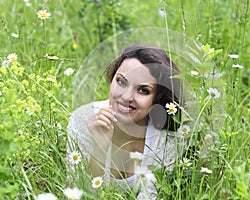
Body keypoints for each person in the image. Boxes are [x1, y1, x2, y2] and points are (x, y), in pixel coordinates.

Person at [67, 44, 186, 199]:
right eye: (121, 82)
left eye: (143, 90)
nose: (126, 96)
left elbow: (152, 195)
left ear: (157, 99)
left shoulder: (167, 137)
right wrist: (99, 148)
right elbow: (76, 192)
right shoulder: (82, 121)